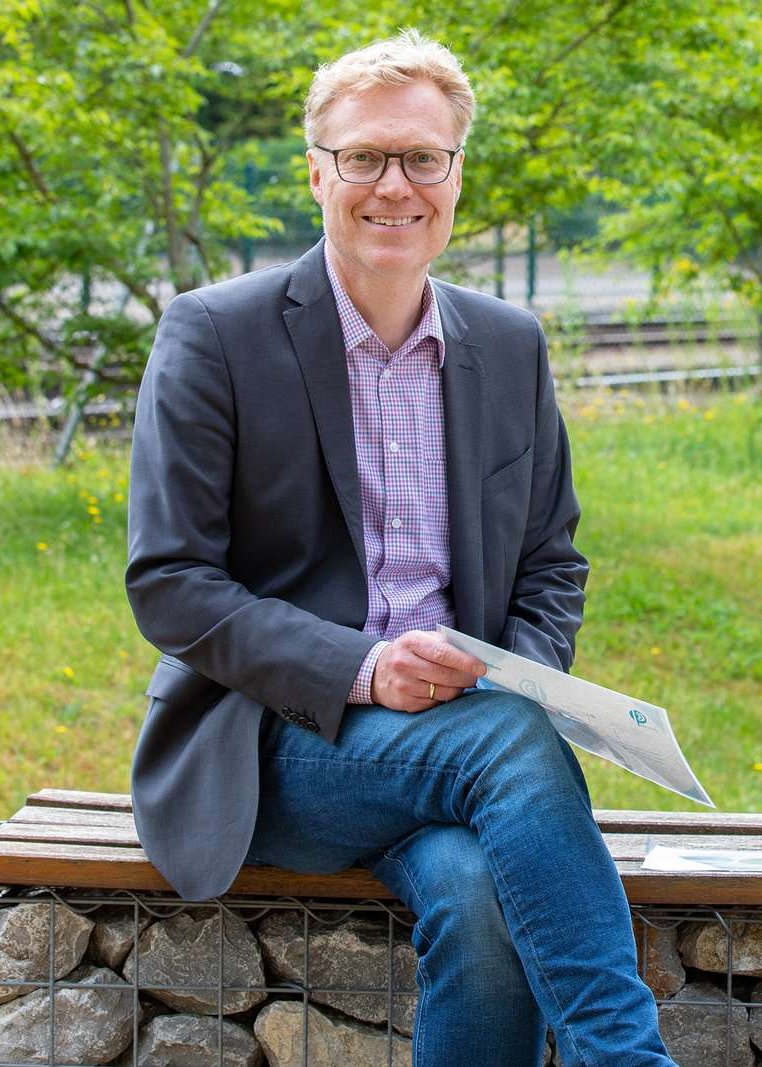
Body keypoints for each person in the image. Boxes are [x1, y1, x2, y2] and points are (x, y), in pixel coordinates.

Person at [126, 31, 673, 1067]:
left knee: (480, 892)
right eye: (365, 157)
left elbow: (553, 561)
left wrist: (509, 671)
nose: (396, 185)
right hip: (273, 744)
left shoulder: (509, 345)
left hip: (452, 753)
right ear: (316, 170)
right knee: (510, 740)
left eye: (424, 158)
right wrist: (368, 668)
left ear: (457, 172)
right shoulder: (215, 334)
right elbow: (171, 584)